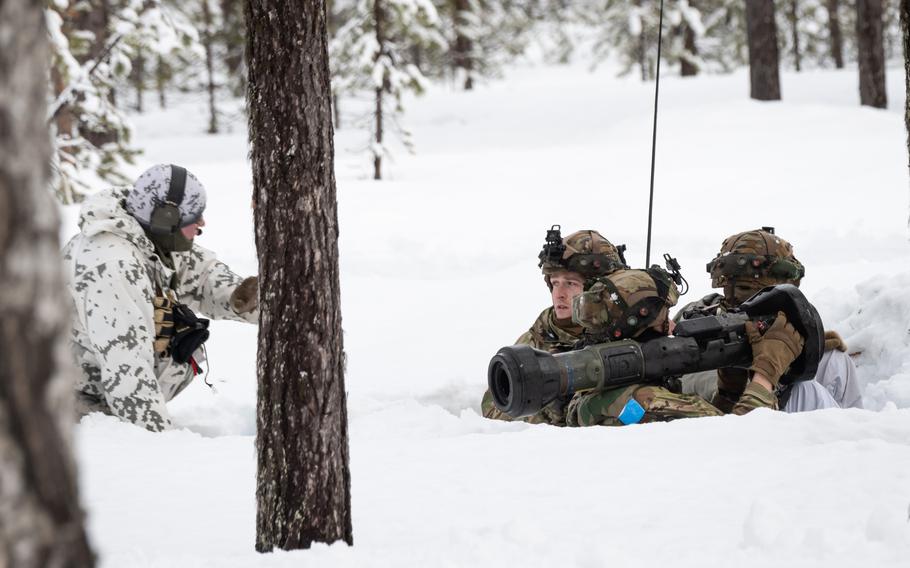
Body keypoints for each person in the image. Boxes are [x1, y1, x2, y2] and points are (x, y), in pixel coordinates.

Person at [62, 164, 259, 432]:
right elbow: (129, 378)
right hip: (67, 410)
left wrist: (253, 301)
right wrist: (161, 455)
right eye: (195, 216)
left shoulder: (146, 237)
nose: (202, 223)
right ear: (166, 218)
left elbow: (203, 276)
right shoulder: (112, 266)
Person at [564, 268, 804, 426]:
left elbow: (710, 428)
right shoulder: (648, 402)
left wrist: (729, 391)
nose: (670, 326)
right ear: (637, 328)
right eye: (663, 318)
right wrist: (766, 374)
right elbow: (741, 446)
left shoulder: (594, 389)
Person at [676, 227, 863, 412]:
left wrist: (809, 347)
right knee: (804, 390)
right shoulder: (700, 319)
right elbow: (718, 392)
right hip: (732, 408)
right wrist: (766, 368)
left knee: (834, 360)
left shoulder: (763, 315)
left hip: (756, 394)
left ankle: (854, 430)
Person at [480, 228, 627, 425]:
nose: (559, 293)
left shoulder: (623, 331)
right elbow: (494, 410)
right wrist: (549, 413)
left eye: (571, 283)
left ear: (597, 290)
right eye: (555, 283)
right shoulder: (538, 340)